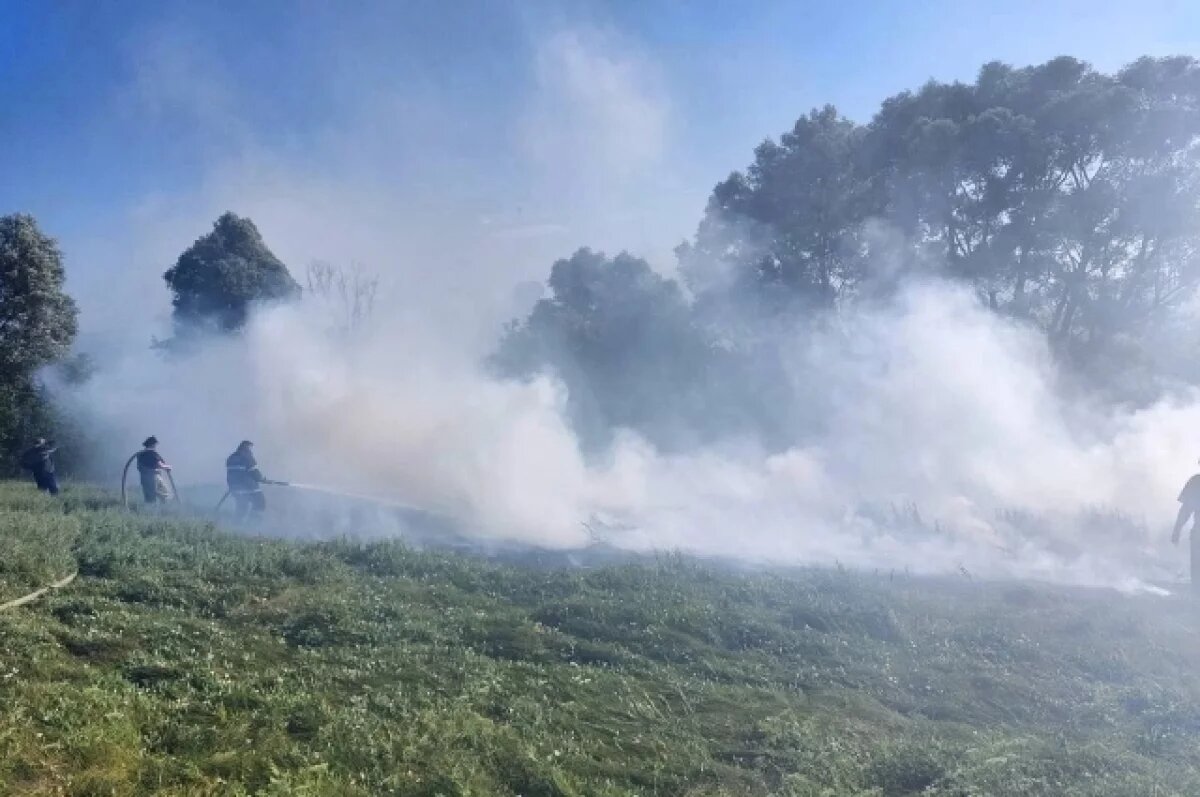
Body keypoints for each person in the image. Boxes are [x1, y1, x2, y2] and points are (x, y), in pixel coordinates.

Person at [226, 440, 266, 519]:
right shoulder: (247, 456)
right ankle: (252, 523)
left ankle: (236, 526)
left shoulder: (231, 457)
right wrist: (261, 478)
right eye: (251, 448)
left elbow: (232, 473)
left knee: (242, 507)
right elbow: (254, 471)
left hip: (234, 488)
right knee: (260, 503)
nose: (251, 450)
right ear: (247, 447)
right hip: (249, 487)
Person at [135, 436, 172, 504]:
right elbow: (159, 464)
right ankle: (163, 509)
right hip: (153, 477)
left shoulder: (141, 454)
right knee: (164, 493)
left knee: (149, 497)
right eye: (155, 444)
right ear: (152, 444)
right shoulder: (151, 453)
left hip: (144, 478)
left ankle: (150, 511)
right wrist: (167, 467)